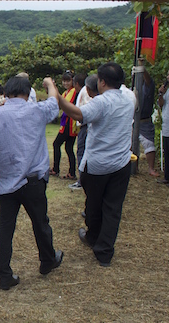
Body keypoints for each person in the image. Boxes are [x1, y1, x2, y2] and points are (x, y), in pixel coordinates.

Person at [0, 76, 64, 290]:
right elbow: (53, 101)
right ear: (27, 92)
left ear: (6, 94)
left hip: (7, 183)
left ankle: (4, 274)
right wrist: (49, 84)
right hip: (34, 181)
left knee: (5, 229)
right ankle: (48, 260)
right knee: (40, 223)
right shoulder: (37, 111)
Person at [54, 62, 135, 267]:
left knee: (93, 206)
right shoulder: (129, 97)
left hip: (97, 165)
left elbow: (78, 114)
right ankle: (105, 252)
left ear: (102, 82)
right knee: (113, 208)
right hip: (121, 163)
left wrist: (57, 97)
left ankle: (92, 237)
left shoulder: (102, 102)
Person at [50, 71, 80, 180]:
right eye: (64, 81)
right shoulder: (66, 92)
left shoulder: (72, 92)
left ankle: (56, 169)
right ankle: (71, 172)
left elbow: (64, 104)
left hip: (69, 123)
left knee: (56, 144)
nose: (66, 83)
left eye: (68, 81)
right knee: (68, 148)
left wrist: (53, 88)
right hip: (66, 122)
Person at [70, 74, 97, 190]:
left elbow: (81, 111)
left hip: (85, 124)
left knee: (82, 151)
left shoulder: (84, 92)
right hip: (87, 125)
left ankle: (83, 180)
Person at [138, 69, 159, 176]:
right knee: (128, 145)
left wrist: (142, 69)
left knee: (149, 145)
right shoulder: (134, 88)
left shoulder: (148, 87)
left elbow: (148, 80)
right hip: (133, 121)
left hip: (145, 121)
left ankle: (151, 168)